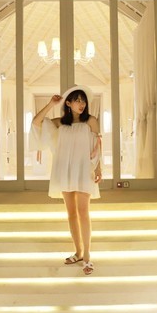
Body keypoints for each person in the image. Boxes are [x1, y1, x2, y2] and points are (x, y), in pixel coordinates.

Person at [30, 85, 102, 275]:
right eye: (77, 100)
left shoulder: (91, 121)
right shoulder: (60, 123)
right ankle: (78, 252)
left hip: (84, 169)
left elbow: (97, 146)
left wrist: (98, 168)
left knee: (83, 212)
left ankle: (87, 257)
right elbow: (36, 122)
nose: (81, 104)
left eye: (83, 100)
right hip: (64, 169)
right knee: (71, 213)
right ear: (68, 103)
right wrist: (50, 104)